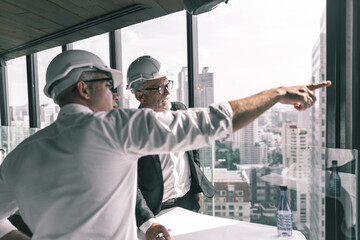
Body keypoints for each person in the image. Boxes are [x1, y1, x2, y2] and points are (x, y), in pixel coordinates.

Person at [0, 49, 330, 240]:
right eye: (107, 85)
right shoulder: (116, 128)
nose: (115, 95)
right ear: (84, 89)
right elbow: (211, 122)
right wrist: (277, 94)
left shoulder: (19, 156)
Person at [127, 56, 216, 238]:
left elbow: (193, 148)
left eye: (168, 85)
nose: (167, 92)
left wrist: (195, 189)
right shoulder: (130, 130)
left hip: (187, 202)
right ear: (140, 96)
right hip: (154, 211)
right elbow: (129, 185)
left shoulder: (180, 110)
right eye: (160, 88)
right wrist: (148, 222)